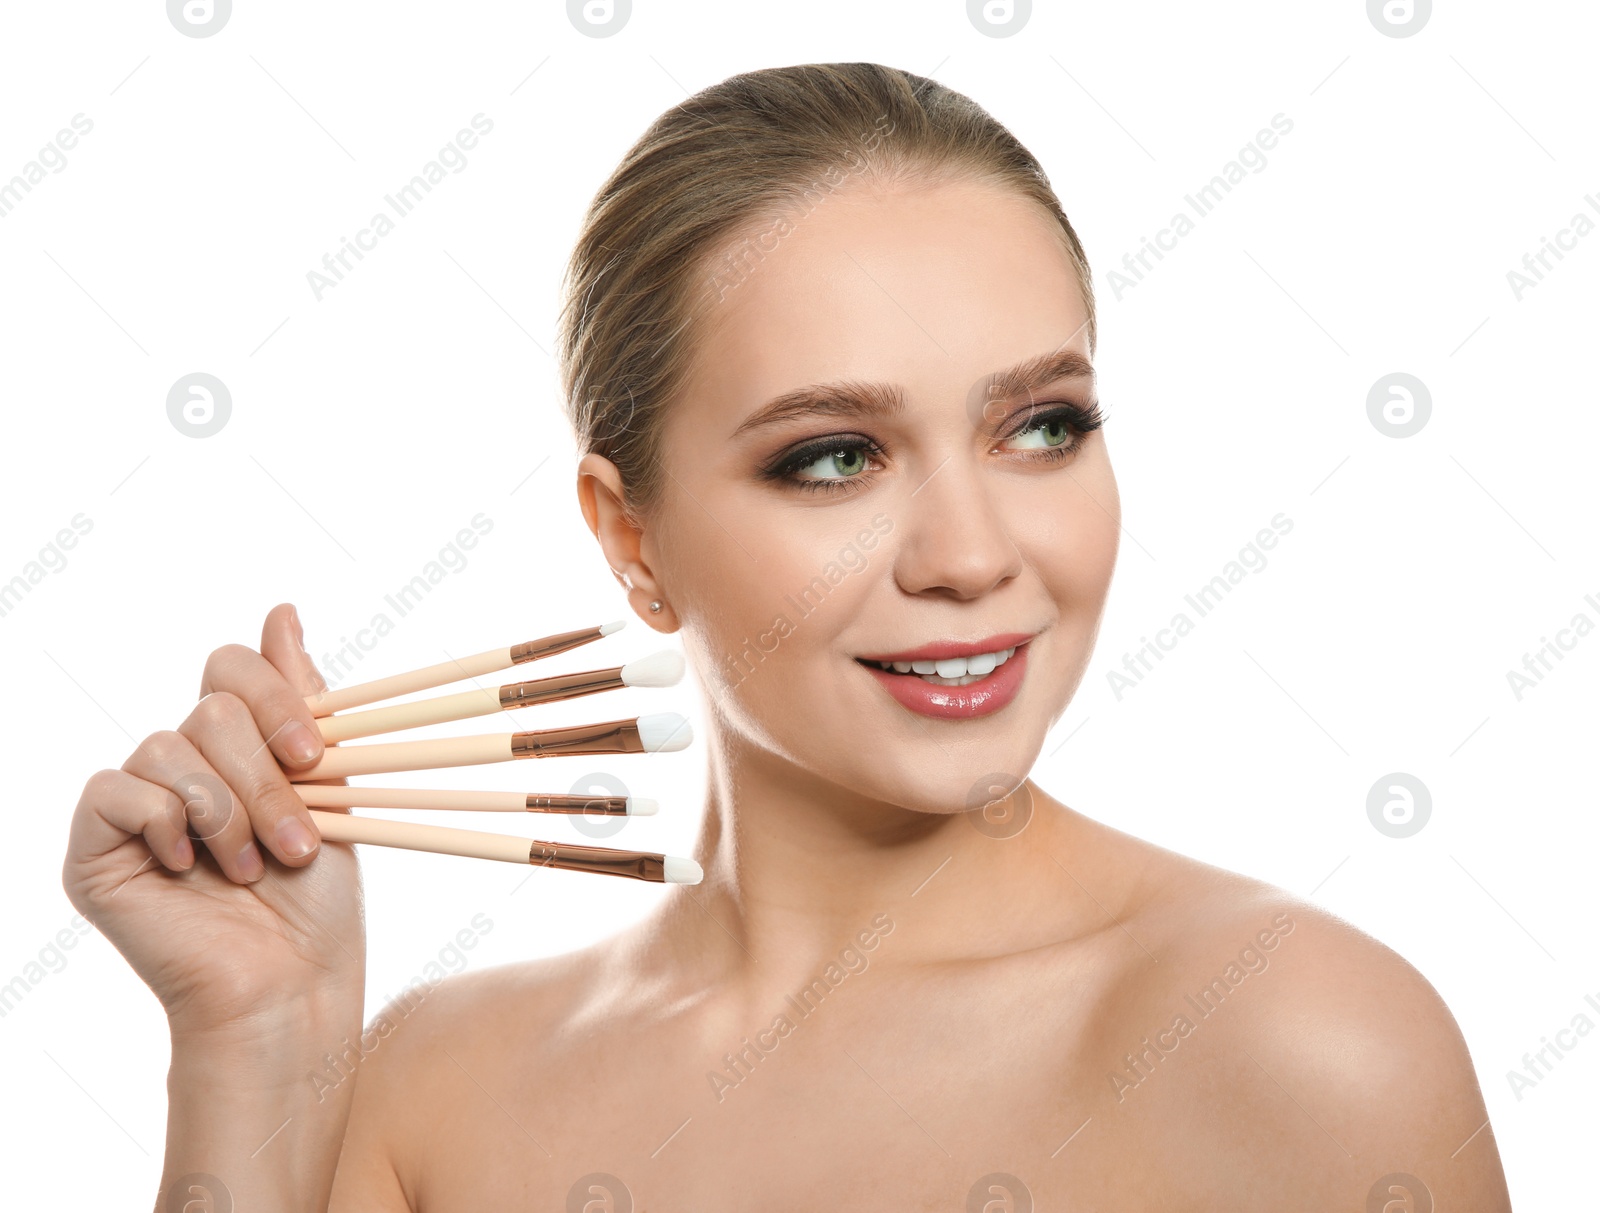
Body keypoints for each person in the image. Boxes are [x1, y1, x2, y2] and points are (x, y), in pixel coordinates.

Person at [64, 62, 1511, 1209]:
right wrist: (254, 1041)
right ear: (632, 539)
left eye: (1041, 428)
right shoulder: (433, 1090)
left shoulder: (1300, 1043)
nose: (972, 555)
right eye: (834, 457)